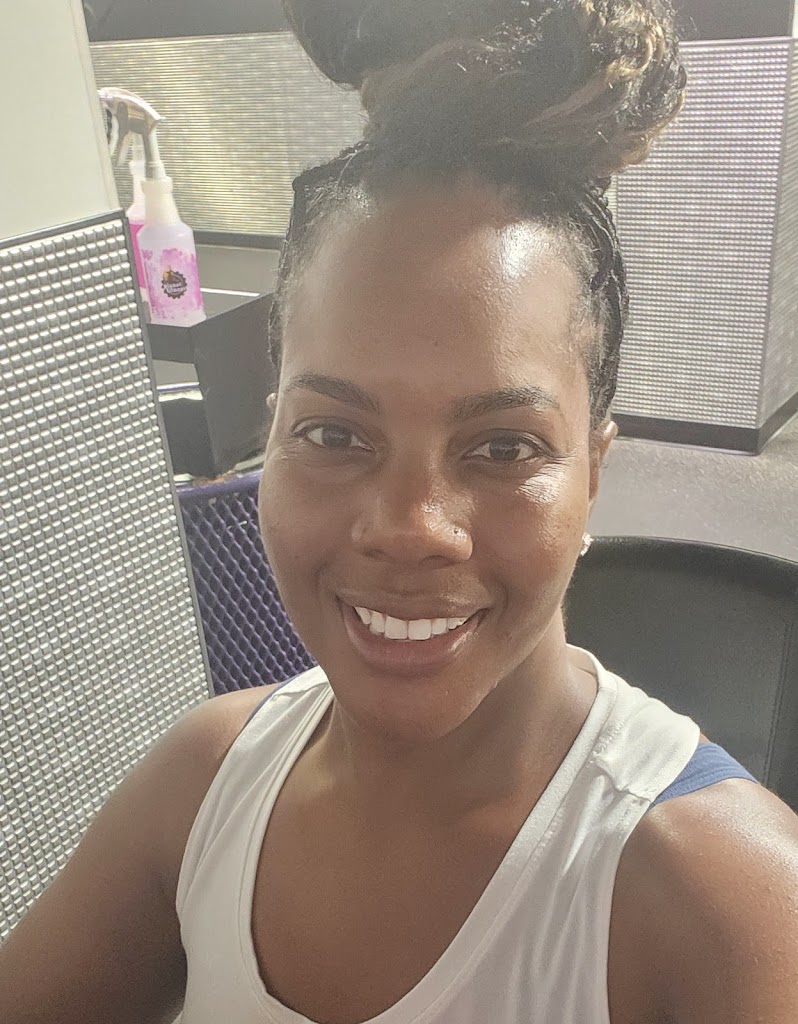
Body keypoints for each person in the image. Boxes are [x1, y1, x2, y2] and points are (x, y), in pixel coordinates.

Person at [3, 1, 798, 1021]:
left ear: (594, 470)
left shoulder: (727, 904)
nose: (410, 525)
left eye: (503, 447)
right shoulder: (206, 783)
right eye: (334, 434)